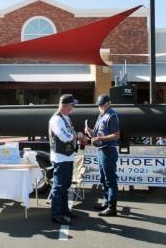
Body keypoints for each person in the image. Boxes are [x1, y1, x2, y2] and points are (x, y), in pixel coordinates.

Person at [49, 94, 82, 225]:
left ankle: (64, 210)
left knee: (65, 185)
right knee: (59, 186)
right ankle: (56, 214)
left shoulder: (66, 118)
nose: (73, 107)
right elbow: (65, 136)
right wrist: (77, 135)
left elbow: (70, 133)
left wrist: (77, 135)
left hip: (67, 156)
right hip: (60, 157)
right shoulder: (56, 119)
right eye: (72, 105)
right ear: (66, 105)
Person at [86, 94, 120, 216]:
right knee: (104, 178)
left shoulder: (111, 115)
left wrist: (101, 138)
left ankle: (112, 207)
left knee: (110, 179)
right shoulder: (102, 115)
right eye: (99, 105)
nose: (100, 106)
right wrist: (89, 131)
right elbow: (98, 134)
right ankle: (107, 203)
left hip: (108, 150)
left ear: (108, 103)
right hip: (101, 150)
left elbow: (116, 135)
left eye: (102, 104)